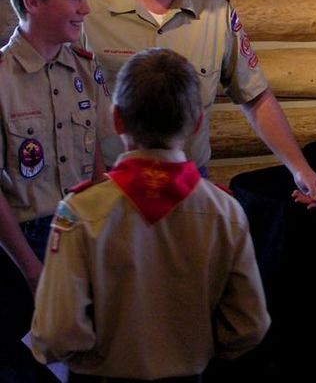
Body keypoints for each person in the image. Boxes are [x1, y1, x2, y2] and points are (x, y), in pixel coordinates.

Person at [31, 47, 271, 382]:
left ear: (117, 119)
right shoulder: (225, 212)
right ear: (197, 122)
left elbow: (58, 331)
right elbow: (249, 325)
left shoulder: (81, 212)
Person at [82, 0, 316, 207]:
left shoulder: (217, 12)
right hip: (111, 183)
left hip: (189, 184)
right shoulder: (87, 11)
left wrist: (299, 168)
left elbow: (255, 96)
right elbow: (70, 105)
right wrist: (96, 182)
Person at [0, 0, 112, 382]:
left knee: (86, 370)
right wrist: (31, 269)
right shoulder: (2, 80)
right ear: (33, 0)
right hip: (21, 250)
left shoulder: (86, 67)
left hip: (82, 243)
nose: (85, 9)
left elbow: (99, 156)